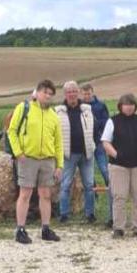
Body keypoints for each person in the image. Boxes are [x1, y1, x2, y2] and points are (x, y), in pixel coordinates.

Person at [9, 79, 63, 244]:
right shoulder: (23, 108)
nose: (47, 96)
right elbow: (12, 131)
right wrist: (18, 153)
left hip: (47, 160)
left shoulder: (53, 115)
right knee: (25, 194)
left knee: (45, 194)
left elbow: (58, 142)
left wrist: (59, 164)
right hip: (28, 158)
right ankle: (20, 229)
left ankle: (45, 228)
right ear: (37, 92)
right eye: (45, 92)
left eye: (50, 94)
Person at [101, 93, 137, 238]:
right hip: (119, 165)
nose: (129, 107)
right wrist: (117, 155)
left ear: (135, 106)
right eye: (126, 104)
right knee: (120, 197)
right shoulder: (113, 121)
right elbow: (106, 142)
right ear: (120, 106)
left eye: (131, 105)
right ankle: (118, 227)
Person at [55, 81, 98, 223]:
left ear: (78, 92)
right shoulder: (58, 112)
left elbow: (95, 128)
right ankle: (64, 214)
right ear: (65, 94)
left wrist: (94, 144)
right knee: (65, 184)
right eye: (69, 92)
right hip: (68, 154)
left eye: (74, 91)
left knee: (89, 185)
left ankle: (90, 214)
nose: (72, 94)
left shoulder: (87, 110)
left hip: (87, 153)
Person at [82, 83, 112, 227]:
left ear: (93, 93)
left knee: (104, 168)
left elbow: (106, 122)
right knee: (88, 173)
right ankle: (94, 196)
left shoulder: (100, 106)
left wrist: (94, 124)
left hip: (98, 142)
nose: (87, 96)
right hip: (85, 144)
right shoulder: (80, 107)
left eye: (89, 93)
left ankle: (111, 187)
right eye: (85, 94)